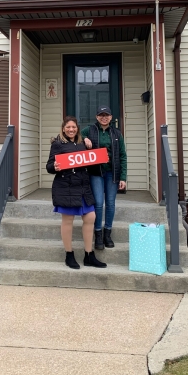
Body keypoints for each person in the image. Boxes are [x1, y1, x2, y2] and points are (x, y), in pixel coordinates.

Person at [46, 116, 107, 270]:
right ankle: (69, 254)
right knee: (68, 220)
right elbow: (49, 166)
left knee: (90, 217)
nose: (71, 130)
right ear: (63, 128)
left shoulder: (82, 143)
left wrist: (90, 146)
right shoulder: (58, 144)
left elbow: (91, 159)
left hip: (83, 187)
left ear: (77, 128)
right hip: (66, 187)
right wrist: (54, 167)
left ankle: (89, 255)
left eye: (74, 127)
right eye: (68, 127)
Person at [81, 106, 127, 250]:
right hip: (96, 172)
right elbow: (76, 135)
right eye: (101, 115)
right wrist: (85, 139)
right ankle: (98, 234)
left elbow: (123, 156)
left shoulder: (117, 133)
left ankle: (108, 233)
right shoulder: (90, 130)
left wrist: (123, 177)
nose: (104, 117)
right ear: (97, 117)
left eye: (106, 115)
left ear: (111, 117)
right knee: (99, 203)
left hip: (112, 173)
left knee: (111, 203)